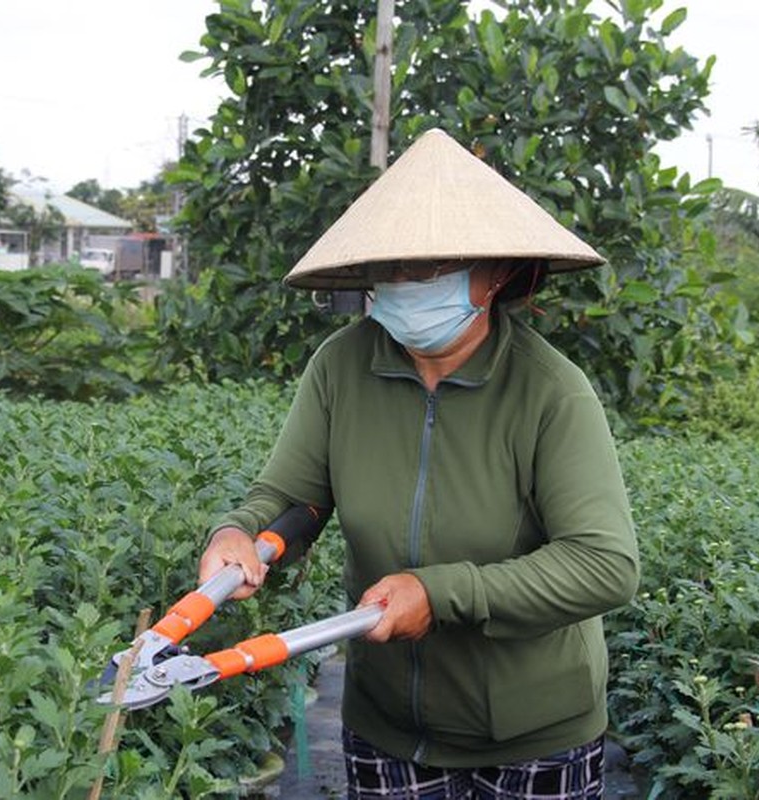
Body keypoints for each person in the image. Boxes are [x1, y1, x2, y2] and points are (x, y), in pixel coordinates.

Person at [197, 128, 639, 799]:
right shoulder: (343, 366)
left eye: (426, 269)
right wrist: (240, 533)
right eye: (389, 268)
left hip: (534, 733)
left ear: (494, 275)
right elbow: (296, 494)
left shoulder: (549, 392)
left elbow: (603, 565)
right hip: (386, 727)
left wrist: (439, 592)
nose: (400, 286)